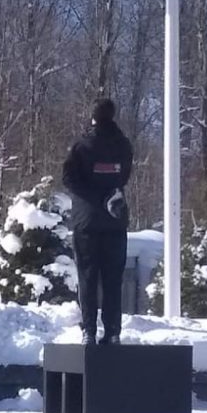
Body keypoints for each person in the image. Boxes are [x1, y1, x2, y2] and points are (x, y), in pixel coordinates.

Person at [62, 97, 133, 346]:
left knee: (88, 277)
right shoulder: (123, 145)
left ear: (93, 118)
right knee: (113, 279)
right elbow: (123, 175)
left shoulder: (82, 145)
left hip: (87, 222)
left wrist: (93, 197)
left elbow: (69, 178)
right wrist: (108, 196)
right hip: (115, 220)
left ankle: (89, 331)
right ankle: (113, 332)